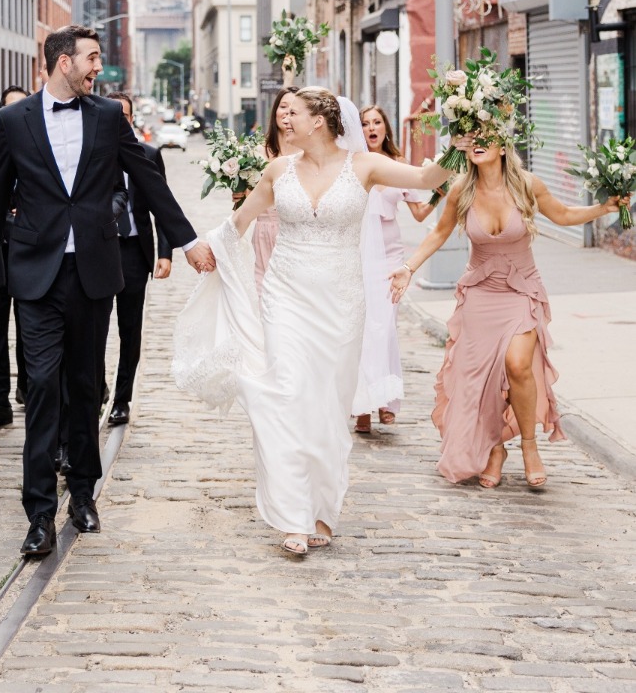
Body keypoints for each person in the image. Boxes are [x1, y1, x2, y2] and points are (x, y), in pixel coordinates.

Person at [0, 25, 215, 560]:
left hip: (94, 274)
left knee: (84, 385)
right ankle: (37, 514)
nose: (98, 68)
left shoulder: (105, 117)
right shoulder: (13, 120)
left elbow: (149, 180)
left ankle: (82, 493)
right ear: (62, 62)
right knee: (40, 386)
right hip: (36, 274)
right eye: (92, 59)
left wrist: (186, 239)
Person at [173, 87, 455, 556]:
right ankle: (293, 516)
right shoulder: (277, 170)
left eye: (295, 114)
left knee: (327, 406)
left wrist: (460, 140)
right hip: (286, 298)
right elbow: (238, 224)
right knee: (286, 396)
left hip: (342, 303)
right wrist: (202, 248)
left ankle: (323, 509)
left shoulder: (365, 167)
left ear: (319, 122)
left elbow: (427, 177)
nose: (285, 120)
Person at [388, 136, 628, 490]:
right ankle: (496, 448)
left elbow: (562, 215)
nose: (477, 144)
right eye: (472, 140)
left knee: (518, 364)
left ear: (503, 147)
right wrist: (408, 268)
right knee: (478, 379)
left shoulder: (528, 185)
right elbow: (439, 233)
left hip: (520, 290)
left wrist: (603, 209)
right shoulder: (460, 190)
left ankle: (530, 447)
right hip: (479, 293)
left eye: (486, 139)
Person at [352, 104, 436, 434]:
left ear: (386, 128)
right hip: (358, 257)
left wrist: (440, 198)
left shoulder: (399, 166)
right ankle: (362, 407)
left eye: (377, 122)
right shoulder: (353, 164)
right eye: (365, 123)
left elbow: (419, 214)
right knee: (361, 328)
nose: (372, 128)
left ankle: (386, 400)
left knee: (384, 328)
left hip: (390, 259)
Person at [104, 92, 173, 428]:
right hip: (99, 251)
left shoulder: (148, 154)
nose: (120, 122)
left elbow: (162, 203)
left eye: (125, 116)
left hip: (134, 250)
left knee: (129, 329)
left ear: (132, 120)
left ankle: (122, 399)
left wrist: (165, 252)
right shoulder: (95, 155)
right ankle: (96, 386)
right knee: (93, 328)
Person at [0, 84, 30, 423]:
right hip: (0, 251)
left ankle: (27, 387)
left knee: (28, 326)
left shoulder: (37, 147)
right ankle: (0, 395)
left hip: (31, 251)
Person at [251, 87, 300, 292]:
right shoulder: (258, 152)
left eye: (294, 109)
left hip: (295, 236)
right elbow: (246, 202)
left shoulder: (307, 154)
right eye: (283, 106)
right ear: (275, 111)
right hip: (263, 233)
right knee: (264, 293)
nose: (287, 113)